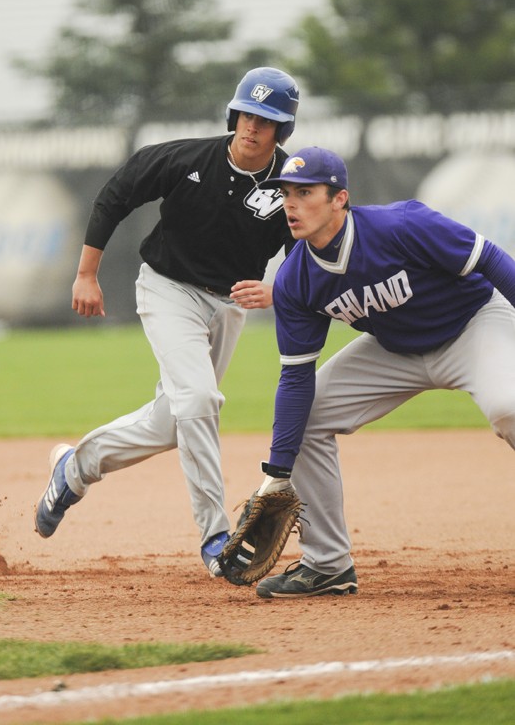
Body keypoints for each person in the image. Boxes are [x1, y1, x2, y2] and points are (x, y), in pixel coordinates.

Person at [34, 67, 300, 577]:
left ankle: (76, 468)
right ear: (233, 114)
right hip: (167, 289)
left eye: (265, 119)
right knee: (198, 401)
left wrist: (278, 289)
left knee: (172, 422)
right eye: (246, 113)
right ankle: (216, 538)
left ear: (281, 129)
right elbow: (116, 194)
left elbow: (303, 254)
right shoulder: (187, 157)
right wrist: (86, 274)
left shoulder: (289, 182)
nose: (252, 126)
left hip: (231, 304)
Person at [243, 145, 515, 599]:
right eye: (285, 193)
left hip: (473, 323)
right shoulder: (295, 279)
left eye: (304, 191)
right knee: (309, 417)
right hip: (395, 349)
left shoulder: (402, 225)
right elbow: (296, 378)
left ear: (339, 199)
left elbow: (490, 259)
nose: (291, 203)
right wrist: (278, 472)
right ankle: (327, 565)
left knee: (509, 407)